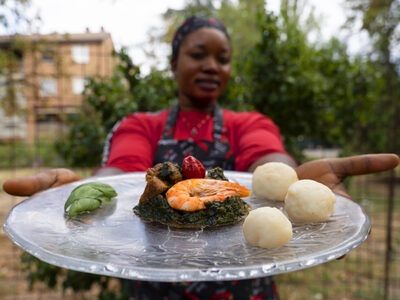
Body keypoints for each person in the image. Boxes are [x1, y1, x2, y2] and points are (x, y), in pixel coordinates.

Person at [3, 16, 399, 300]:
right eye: (198, 54)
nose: (212, 65)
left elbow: (269, 160)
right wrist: (83, 191)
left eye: (222, 58)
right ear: (174, 63)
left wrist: (293, 182)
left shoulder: (249, 123)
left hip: (248, 291)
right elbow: (120, 175)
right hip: (154, 289)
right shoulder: (140, 125)